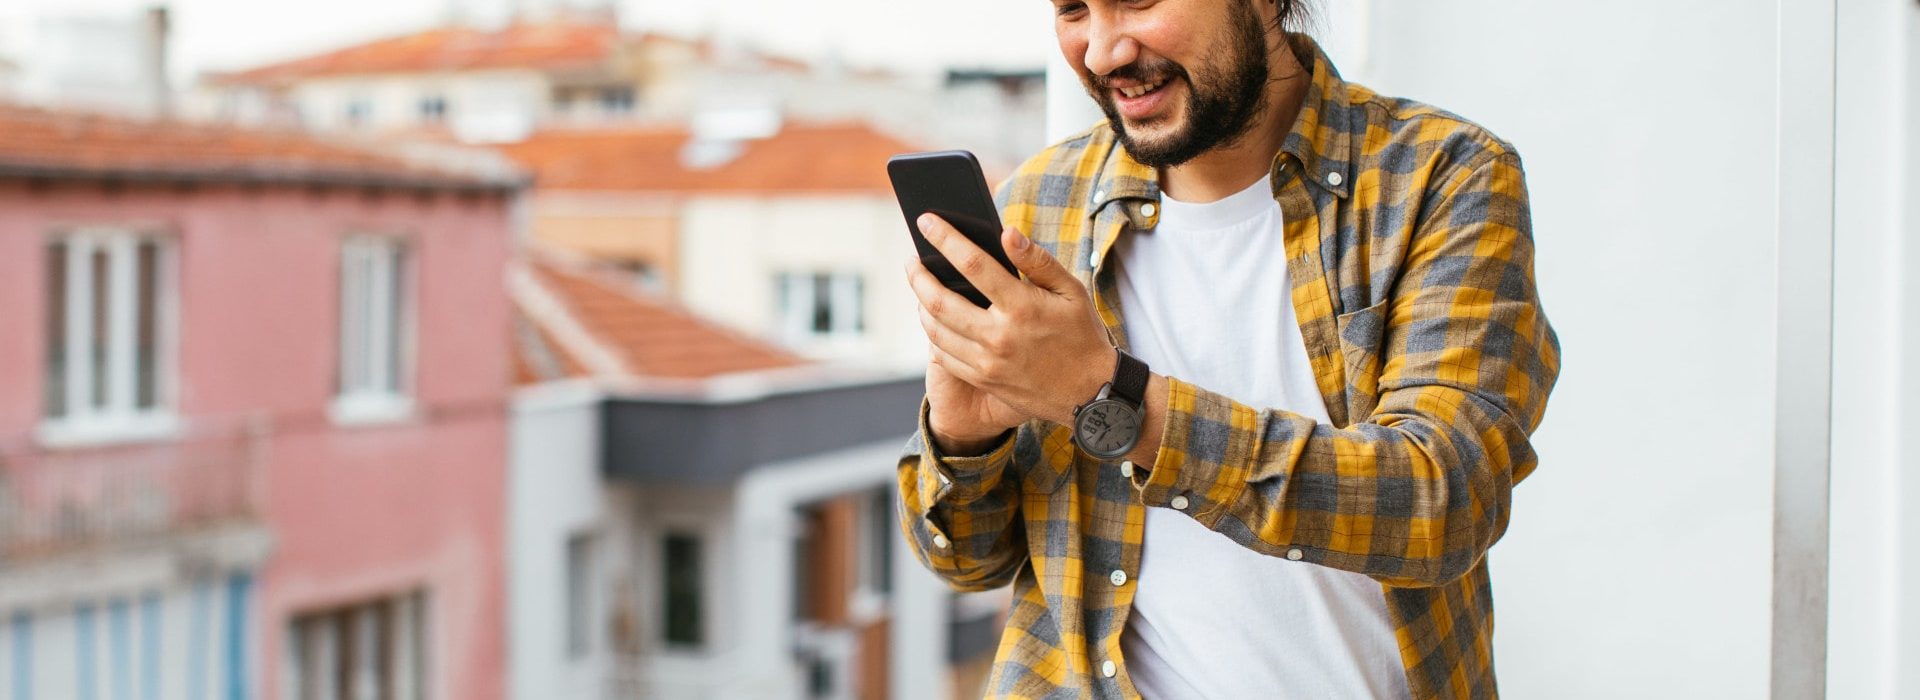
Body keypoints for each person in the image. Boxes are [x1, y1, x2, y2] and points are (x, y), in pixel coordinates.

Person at [895, 0, 1562, 697]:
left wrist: (1112, 399)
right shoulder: (1039, 206)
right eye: (1072, 11)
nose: (1099, 54)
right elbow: (969, 561)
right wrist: (963, 442)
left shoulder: (1441, 177)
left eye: (1137, 1)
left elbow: (1444, 501)